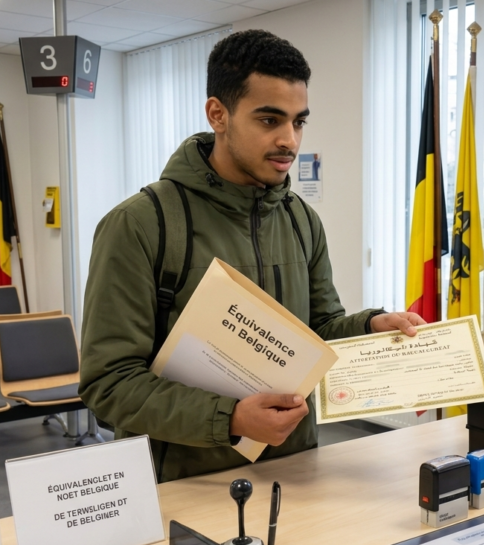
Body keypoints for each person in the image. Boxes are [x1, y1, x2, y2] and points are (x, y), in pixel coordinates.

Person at [80, 30, 424, 483]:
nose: (290, 141)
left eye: (299, 121)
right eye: (269, 120)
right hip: (185, 484)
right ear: (218, 114)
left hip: (296, 470)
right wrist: (231, 419)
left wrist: (368, 326)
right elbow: (109, 384)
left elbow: (317, 332)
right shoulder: (141, 224)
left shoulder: (302, 221)